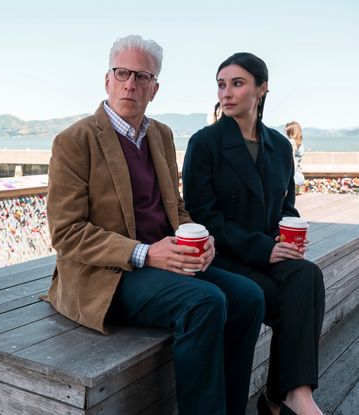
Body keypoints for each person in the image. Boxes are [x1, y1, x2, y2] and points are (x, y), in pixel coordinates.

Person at [45, 36, 264, 415]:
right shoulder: (74, 142)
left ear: (155, 88)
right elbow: (66, 233)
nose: (130, 84)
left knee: (249, 297)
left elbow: (174, 207)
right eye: (122, 73)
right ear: (107, 79)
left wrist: (201, 236)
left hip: (166, 260)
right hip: (109, 273)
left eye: (142, 76)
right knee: (205, 302)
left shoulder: (161, 135)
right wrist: (145, 253)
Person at [182, 52, 325, 415]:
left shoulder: (280, 148)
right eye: (221, 84)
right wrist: (264, 249)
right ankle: (279, 400)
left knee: (308, 275)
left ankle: (293, 394)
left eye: (237, 83)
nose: (226, 93)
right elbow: (202, 216)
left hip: (268, 254)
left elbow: (286, 209)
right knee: (285, 299)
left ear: (261, 89)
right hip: (227, 258)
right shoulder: (205, 143)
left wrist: (288, 239)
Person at [285, 121, 305, 187]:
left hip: (293, 171)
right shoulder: (300, 143)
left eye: (287, 132)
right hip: (298, 172)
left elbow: (290, 157)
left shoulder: (291, 142)